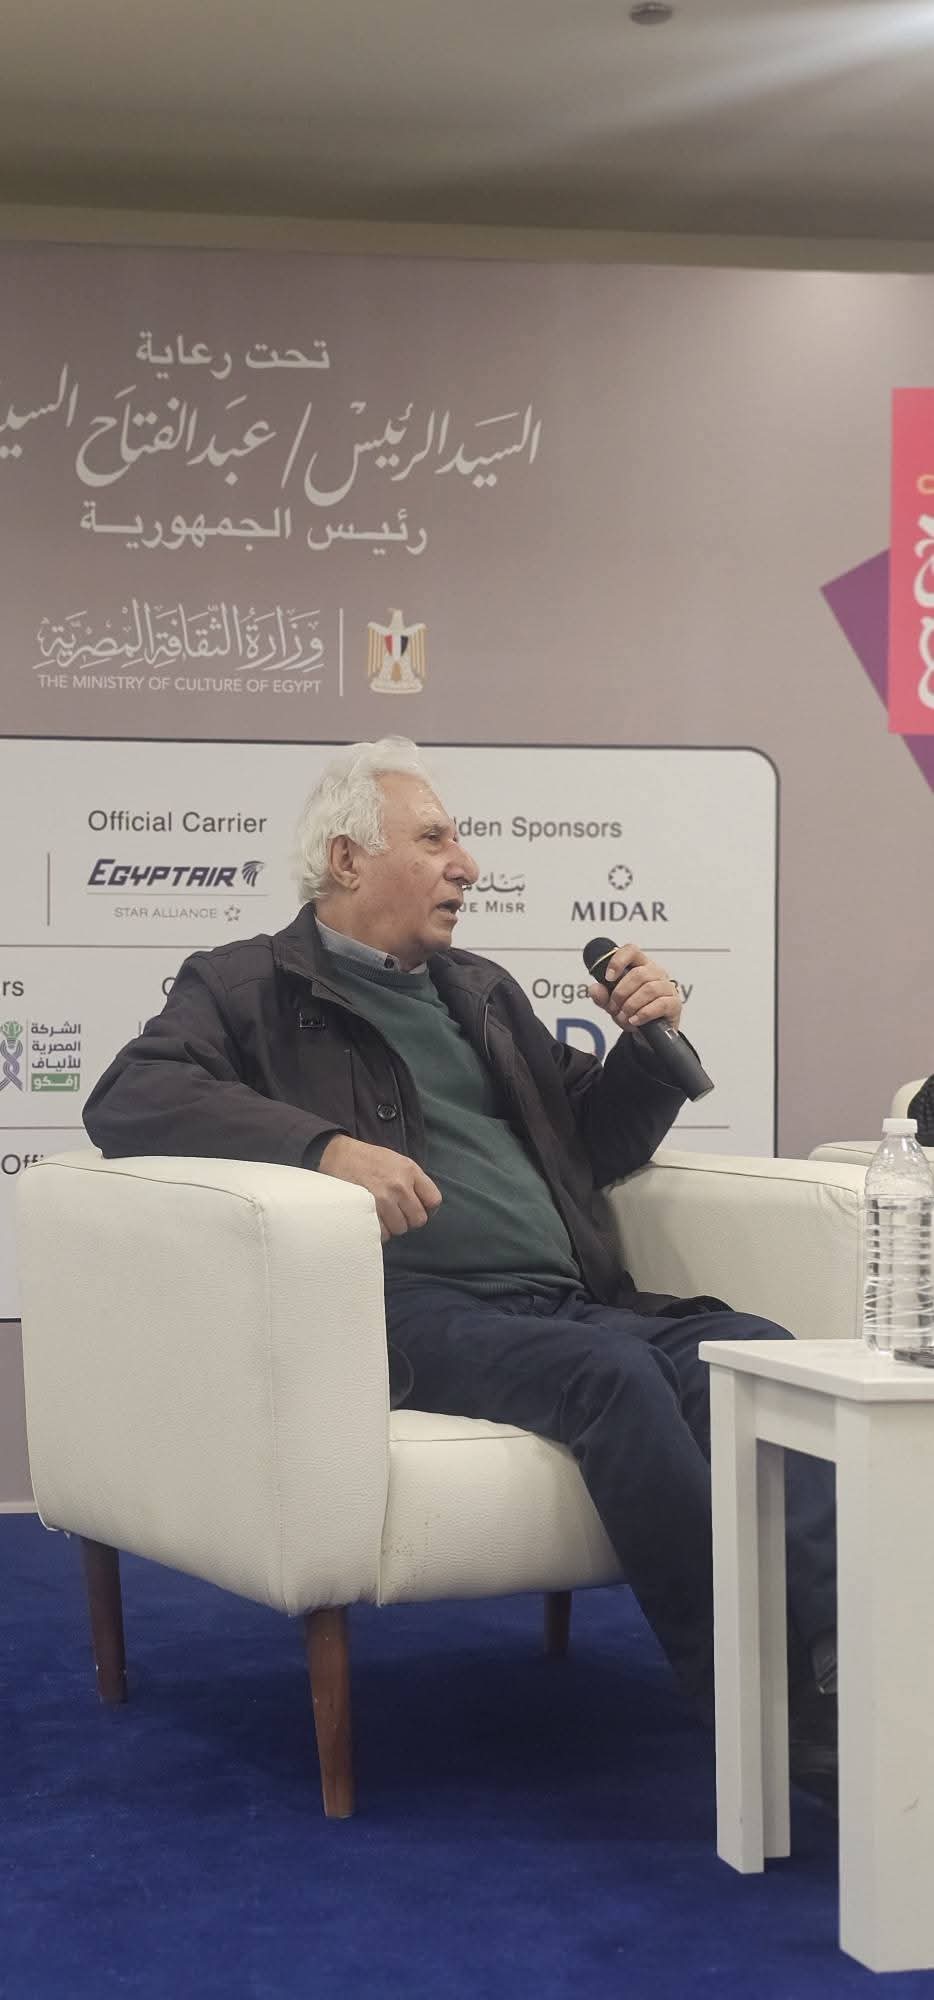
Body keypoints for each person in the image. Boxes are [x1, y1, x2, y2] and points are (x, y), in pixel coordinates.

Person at [83, 736, 838, 1797]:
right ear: (347, 858)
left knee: (762, 1360)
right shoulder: (245, 985)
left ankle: (848, 1666)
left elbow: (594, 1143)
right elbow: (131, 1096)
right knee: (615, 1378)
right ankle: (761, 1706)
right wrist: (320, 1147)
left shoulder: (478, 990)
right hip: (412, 1310)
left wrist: (646, 1047)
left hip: (569, 1300)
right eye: (435, 839)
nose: (467, 865)